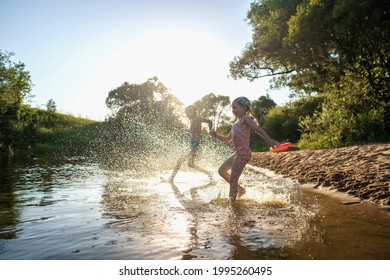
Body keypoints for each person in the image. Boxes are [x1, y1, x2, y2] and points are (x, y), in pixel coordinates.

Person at [209, 97, 279, 202]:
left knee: (233, 179)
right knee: (221, 171)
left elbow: (257, 129)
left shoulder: (245, 119)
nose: (233, 110)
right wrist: (216, 135)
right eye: (232, 108)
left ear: (244, 108)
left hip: (243, 153)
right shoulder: (235, 124)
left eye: (235, 107)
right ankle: (240, 189)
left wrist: (269, 140)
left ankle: (232, 202)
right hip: (237, 153)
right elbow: (228, 140)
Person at [165, 105, 214, 183]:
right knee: (190, 164)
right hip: (192, 143)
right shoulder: (193, 120)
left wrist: (211, 131)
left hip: (195, 144)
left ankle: (170, 179)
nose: (186, 115)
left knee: (180, 161)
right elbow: (193, 130)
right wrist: (184, 130)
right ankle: (208, 173)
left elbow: (209, 121)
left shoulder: (197, 118)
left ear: (193, 111)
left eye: (187, 113)